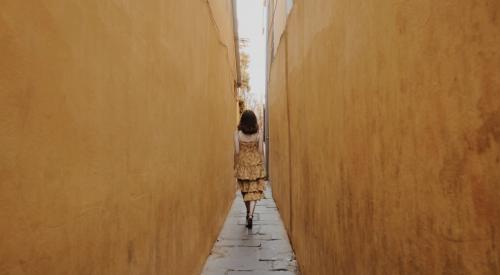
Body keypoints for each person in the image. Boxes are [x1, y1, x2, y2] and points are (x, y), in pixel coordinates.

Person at [234, 110, 266, 229]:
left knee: (245, 190)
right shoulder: (259, 133)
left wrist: (235, 165)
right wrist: (262, 165)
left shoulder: (237, 134)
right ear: (254, 121)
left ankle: (248, 212)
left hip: (243, 165)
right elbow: (261, 151)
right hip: (255, 165)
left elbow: (237, 152)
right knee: (253, 191)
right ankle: (251, 215)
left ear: (242, 121)